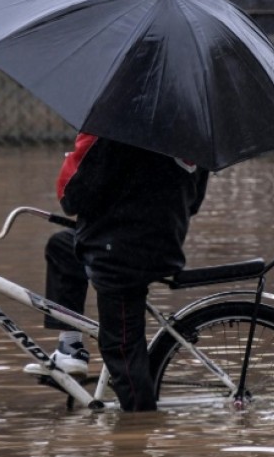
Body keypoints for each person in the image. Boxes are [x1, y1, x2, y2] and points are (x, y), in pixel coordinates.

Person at [23, 132, 208, 411]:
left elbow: (72, 197)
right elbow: (193, 203)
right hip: (162, 238)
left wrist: (75, 157)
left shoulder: (116, 124)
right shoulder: (194, 129)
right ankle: (70, 346)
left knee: (120, 349)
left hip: (122, 251)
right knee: (63, 247)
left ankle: (139, 430)